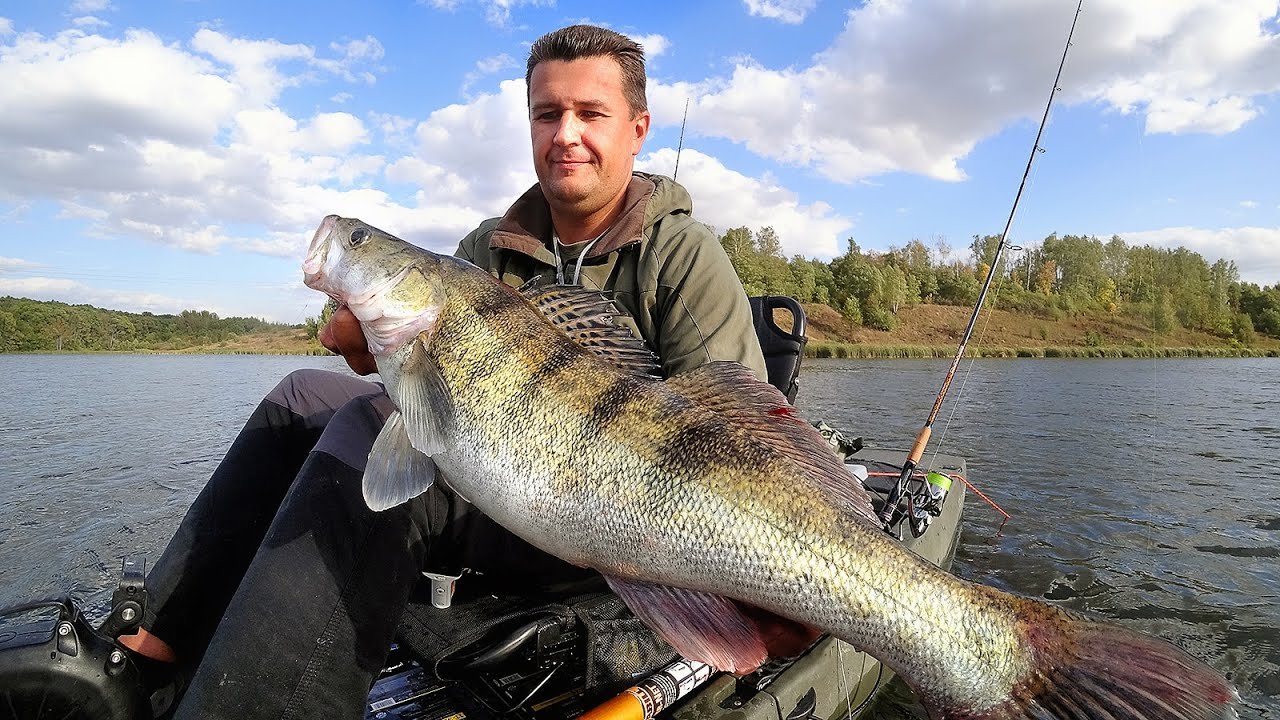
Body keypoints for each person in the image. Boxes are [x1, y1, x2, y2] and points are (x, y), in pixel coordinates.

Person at [118, 24, 803, 720]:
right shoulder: (488, 247)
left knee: (368, 425)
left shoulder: (683, 255)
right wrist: (371, 348)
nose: (565, 134)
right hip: (498, 480)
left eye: (590, 113)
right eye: (546, 113)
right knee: (301, 396)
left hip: (605, 520)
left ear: (638, 129)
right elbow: (431, 384)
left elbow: (743, 442)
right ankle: (150, 650)